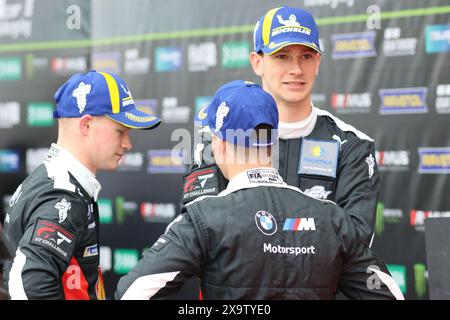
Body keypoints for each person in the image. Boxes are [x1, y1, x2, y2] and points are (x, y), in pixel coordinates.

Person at [115, 80, 403, 300]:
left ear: (219, 145)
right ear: (273, 145)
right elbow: (388, 294)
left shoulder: (204, 219)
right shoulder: (333, 220)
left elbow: (131, 291)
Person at [185, 6, 379, 247]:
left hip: (320, 285)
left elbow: (355, 241)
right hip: (238, 283)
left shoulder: (352, 145)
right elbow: (202, 231)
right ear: (257, 62)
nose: (296, 70)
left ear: (317, 62)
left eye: (306, 56)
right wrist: (308, 225)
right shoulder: (216, 135)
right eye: (282, 56)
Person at [1, 70, 161, 300]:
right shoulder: (62, 194)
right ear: (86, 125)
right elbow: (29, 285)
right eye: (121, 131)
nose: (128, 143)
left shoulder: (52, 179)